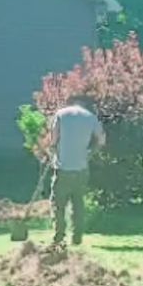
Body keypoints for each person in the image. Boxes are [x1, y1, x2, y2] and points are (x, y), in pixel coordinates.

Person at [49, 94, 105, 247]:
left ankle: (59, 235)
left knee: (58, 204)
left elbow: (53, 140)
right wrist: (89, 154)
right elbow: (101, 141)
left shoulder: (61, 115)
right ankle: (77, 236)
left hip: (62, 167)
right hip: (81, 168)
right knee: (78, 203)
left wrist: (54, 151)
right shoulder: (91, 117)